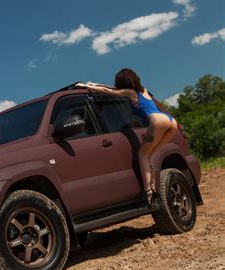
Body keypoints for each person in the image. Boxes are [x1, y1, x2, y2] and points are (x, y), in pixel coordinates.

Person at [75, 68, 178, 208]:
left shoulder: (129, 93)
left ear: (122, 82)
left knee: (142, 155)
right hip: (170, 121)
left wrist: (87, 86)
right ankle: (156, 190)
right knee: (152, 156)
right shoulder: (143, 90)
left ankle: (149, 193)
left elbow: (110, 92)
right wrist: (96, 84)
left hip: (157, 121)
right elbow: (113, 88)